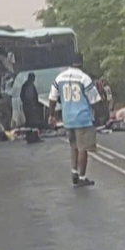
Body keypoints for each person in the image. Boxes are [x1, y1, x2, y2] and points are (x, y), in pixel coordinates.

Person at [48, 53, 102, 187]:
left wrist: (51, 115)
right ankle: (82, 177)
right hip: (83, 118)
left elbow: (52, 98)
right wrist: (100, 116)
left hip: (68, 119)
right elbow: (94, 100)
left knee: (74, 147)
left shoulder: (60, 78)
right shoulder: (84, 78)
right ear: (81, 63)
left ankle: (74, 172)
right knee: (83, 148)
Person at [20, 72, 41, 143]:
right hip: (30, 107)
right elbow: (30, 97)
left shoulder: (25, 85)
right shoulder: (29, 86)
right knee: (32, 123)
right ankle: (33, 137)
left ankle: (30, 137)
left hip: (27, 106)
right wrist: (33, 105)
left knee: (29, 122)